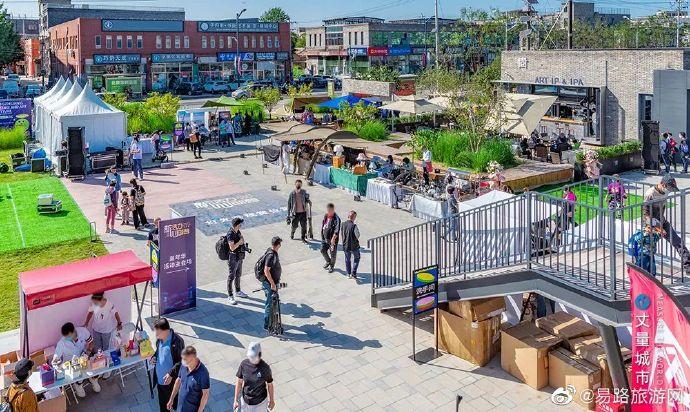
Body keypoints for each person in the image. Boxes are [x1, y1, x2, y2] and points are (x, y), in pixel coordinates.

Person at [644, 174, 690, 270]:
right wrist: (658, 229)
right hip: (651, 225)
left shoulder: (665, 191)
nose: (669, 191)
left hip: (662, 221)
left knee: (678, 242)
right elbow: (646, 216)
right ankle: (647, 270)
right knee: (649, 249)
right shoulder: (650, 193)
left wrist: (661, 226)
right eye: (669, 188)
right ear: (662, 184)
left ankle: (688, 266)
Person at [52, 322, 100, 397]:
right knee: (78, 375)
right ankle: (78, 385)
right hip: (72, 363)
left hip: (84, 357)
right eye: (67, 337)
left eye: (71, 336)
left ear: (74, 330)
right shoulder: (61, 343)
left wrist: (88, 351)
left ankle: (93, 379)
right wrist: (56, 361)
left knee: (93, 369)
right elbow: (56, 358)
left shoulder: (83, 331)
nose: (70, 339)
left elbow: (91, 342)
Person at [152, 318, 185, 412]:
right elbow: (158, 352)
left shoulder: (177, 341)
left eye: (157, 331)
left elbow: (182, 361)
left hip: (171, 382)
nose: (156, 334)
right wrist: (154, 357)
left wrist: (171, 374)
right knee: (163, 406)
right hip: (160, 381)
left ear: (165, 330)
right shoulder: (159, 340)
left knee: (175, 403)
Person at [233, 342, 275, 412]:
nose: (251, 358)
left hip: (260, 403)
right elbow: (239, 382)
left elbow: (270, 385)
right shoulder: (244, 364)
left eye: (254, 356)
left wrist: (271, 401)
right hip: (245, 401)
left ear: (259, 355)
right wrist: (235, 400)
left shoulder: (265, 368)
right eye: (250, 356)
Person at [167, 346, 210, 412]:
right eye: (183, 359)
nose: (183, 362)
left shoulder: (203, 373)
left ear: (193, 359)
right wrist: (171, 399)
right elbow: (178, 380)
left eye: (186, 360)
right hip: (181, 406)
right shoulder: (184, 365)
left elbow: (205, 394)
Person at [259, 237, 282, 331]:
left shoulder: (270, 250)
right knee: (269, 304)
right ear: (278, 245)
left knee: (273, 303)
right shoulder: (271, 255)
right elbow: (266, 271)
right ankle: (267, 325)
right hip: (269, 284)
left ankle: (272, 322)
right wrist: (272, 284)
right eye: (280, 244)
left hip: (271, 283)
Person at [226, 217, 249, 305]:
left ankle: (238, 291)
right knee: (231, 276)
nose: (241, 226)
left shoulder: (237, 231)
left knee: (238, 274)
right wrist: (239, 242)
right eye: (240, 224)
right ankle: (230, 295)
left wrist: (241, 242)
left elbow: (242, 240)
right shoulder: (230, 234)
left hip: (239, 256)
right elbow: (232, 248)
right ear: (236, 225)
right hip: (233, 257)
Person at [320, 203, 341, 273]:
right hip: (324, 238)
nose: (329, 212)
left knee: (333, 254)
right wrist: (322, 235)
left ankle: (332, 266)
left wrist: (333, 239)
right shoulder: (326, 216)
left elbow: (337, 230)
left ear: (333, 210)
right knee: (322, 250)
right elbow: (324, 225)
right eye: (328, 210)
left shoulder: (337, 219)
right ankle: (328, 261)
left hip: (332, 240)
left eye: (330, 211)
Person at [341, 211, 361, 279]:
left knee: (347, 259)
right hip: (354, 246)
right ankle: (354, 273)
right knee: (357, 258)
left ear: (348, 216)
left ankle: (348, 273)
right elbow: (358, 235)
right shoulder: (354, 226)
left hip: (346, 245)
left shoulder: (343, 224)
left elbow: (342, 234)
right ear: (354, 217)